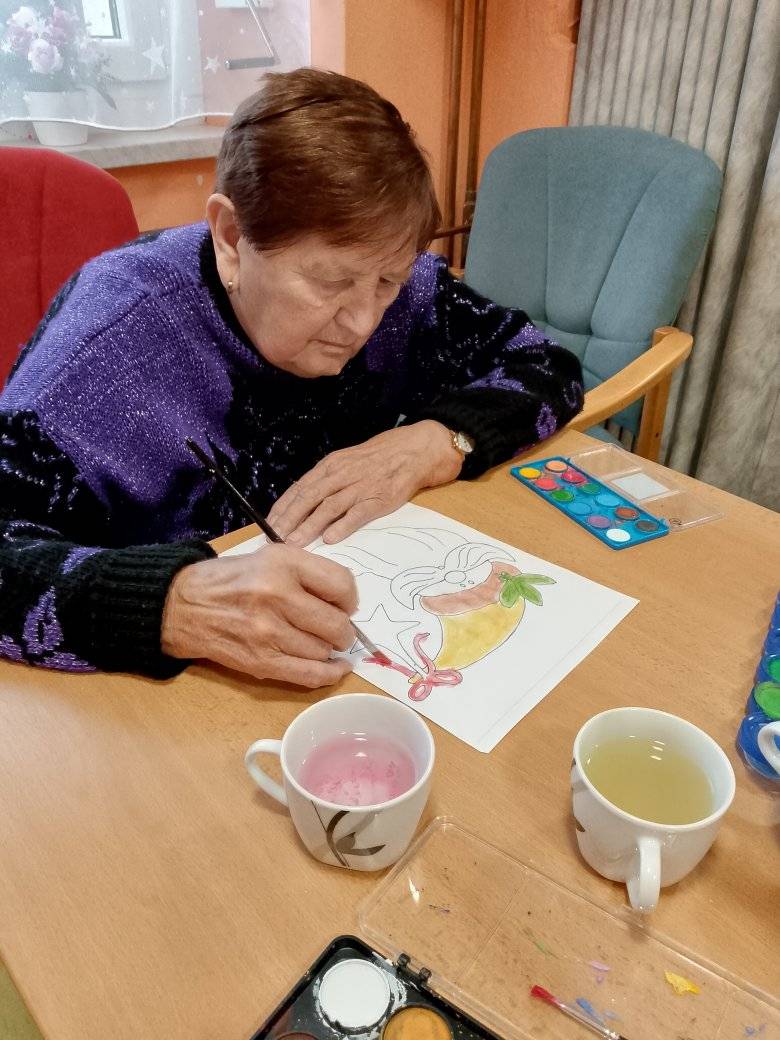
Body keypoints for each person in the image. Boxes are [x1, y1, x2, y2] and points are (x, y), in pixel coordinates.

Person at [0, 68, 584, 687]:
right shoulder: (106, 344)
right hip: (162, 701)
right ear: (232, 238)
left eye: (388, 281)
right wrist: (171, 604)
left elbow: (548, 367)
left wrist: (438, 440)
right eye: (330, 282)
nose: (363, 321)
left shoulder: (399, 283)